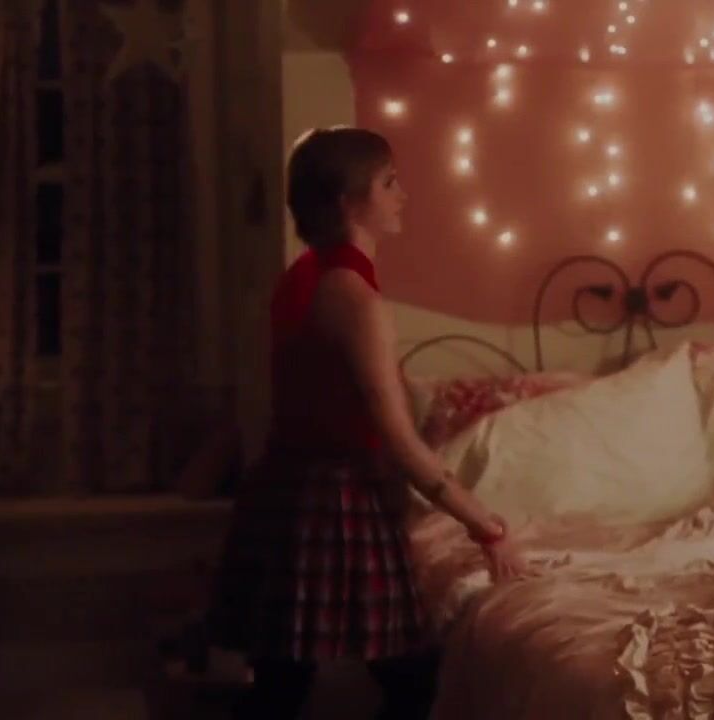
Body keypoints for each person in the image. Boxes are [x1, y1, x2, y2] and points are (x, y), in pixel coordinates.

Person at [211, 126, 531, 720]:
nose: (402, 195)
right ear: (347, 202)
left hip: (287, 488)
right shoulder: (353, 298)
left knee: (283, 684)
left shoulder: (302, 276)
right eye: (388, 183)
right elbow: (399, 441)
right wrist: (485, 526)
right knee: (406, 681)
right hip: (338, 499)